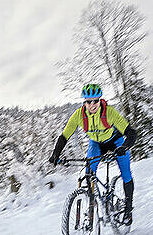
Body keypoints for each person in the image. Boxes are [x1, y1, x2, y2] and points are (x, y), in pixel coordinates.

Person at [49, 83, 137, 225]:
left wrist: (125, 147)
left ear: (100, 100)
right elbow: (65, 136)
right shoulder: (79, 115)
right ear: (85, 102)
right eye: (88, 101)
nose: (92, 104)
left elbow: (131, 133)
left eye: (95, 101)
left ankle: (128, 209)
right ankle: (91, 207)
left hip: (116, 142)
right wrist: (55, 154)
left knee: (126, 173)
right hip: (96, 144)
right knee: (89, 173)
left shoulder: (109, 112)